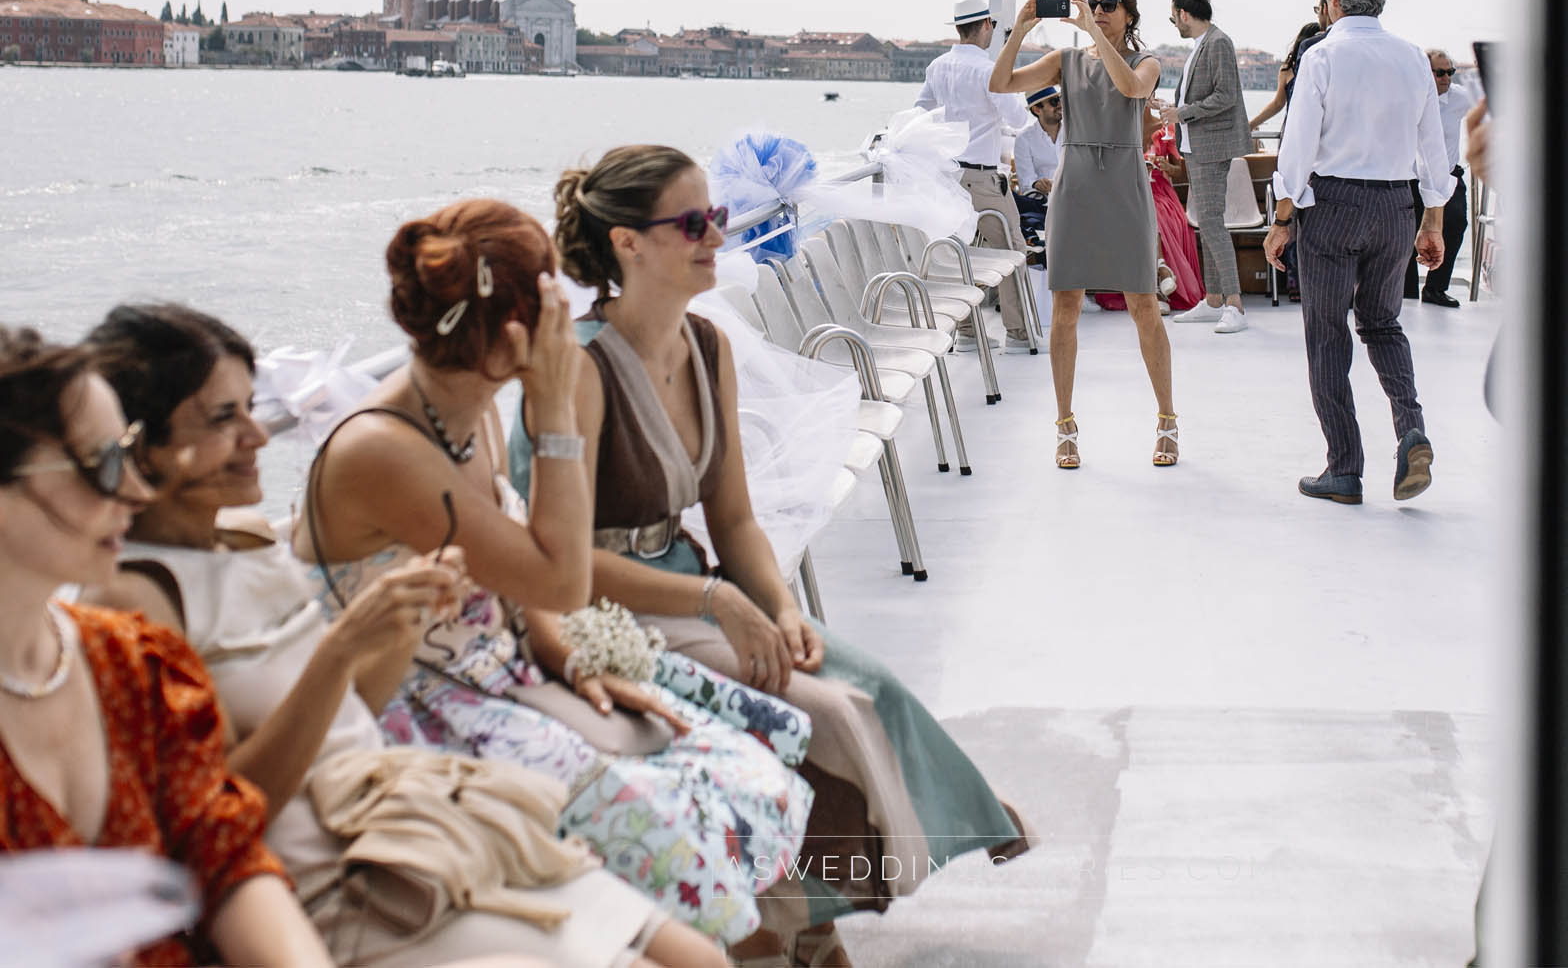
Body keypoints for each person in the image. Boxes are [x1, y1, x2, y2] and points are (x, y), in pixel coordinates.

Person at [85, 303, 731, 968]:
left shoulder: (245, 538)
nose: (257, 433)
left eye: (251, 406)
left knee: (701, 958)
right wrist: (338, 651)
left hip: (423, 822)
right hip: (340, 876)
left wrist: (407, 619)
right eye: (224, 418)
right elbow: (218, 822)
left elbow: (351, 714)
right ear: (141, 446)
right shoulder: (135, 602)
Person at [537, 145, 1034, 964]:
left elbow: (732, 520)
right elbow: (559, 561)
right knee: (824, 713)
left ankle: (812, 917)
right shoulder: (582, 370)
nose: (716, 236)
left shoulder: (706, 348)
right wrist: (720, 603)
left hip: (695, 585)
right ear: (627, 244)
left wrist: (781, 607)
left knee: (863, 680)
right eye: (694, 223)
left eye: (718, 218)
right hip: (612, 611)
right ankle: (800, 927)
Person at [293, 199, 812, 954]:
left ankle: (781, 941)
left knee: (734, 754)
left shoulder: (469, 410)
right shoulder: (383, 450)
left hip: (494, 671)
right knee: (656, 808)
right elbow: (559, 577)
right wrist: (555, 404)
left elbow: (515, 586)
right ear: (512, 332)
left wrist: (566, 657)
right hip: (411, 705)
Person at [0, 326, 332, 967]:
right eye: (98, 465)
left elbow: (225, 857)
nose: (135, 491)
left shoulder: (134, 665)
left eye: (125, 453)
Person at [1264, 0, 1452, 506]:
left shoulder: (1322, 57)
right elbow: (1433, 154)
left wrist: (1281, 219)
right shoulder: (1415, 59)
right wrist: (1432, 222)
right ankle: (1410, 430)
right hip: (1396, 208)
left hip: (1333, 205)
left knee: (1327, 335)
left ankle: (1344, 468)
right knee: (1383, 323)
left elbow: (1296, 152)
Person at [988, 0, 1180, 469]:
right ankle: (1065, 425)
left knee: (1143, 304)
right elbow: (1001, 83)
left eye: (1108, 5)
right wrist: (1020, 29)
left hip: (1124, 186)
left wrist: (1093, 36)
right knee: (1066, 304)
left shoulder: (1147, 62)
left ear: (1129, 14)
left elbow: (1129, 87)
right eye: (1092, 5)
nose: (1098, 10)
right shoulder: (1066, 62)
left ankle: (1167, 419)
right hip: (1073, 187)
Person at [914, 0, 1033, 353]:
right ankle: (1018, 333)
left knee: (956, 254)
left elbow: (920, 114)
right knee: (1010, 250)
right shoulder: (987, 70)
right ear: (985, 26)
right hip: (983, 178)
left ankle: (965, 333)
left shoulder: (937, 67)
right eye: (992, 25)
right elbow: (1018, 119)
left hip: (947, 177)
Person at [1159, 0, 1253, 333]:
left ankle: (1235, 304)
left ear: (1184, 14)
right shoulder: (1205, 44)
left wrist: (1182, 113)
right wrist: (1176, 112)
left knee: (1211, 222)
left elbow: (1227, 95)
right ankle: (1214, 300)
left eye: (1173, 18)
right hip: (1197, 146)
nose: (1175, 25)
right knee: (1205, 221)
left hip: (1211, 146)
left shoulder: (1218, 43)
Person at [1092, 102, 1204, 314]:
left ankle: (1156, 285)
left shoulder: (1166, 127)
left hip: (1159, 190)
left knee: (1153, 212)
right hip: (1127, 190)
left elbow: (1180, 171)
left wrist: (1167, 167)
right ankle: (1160, 274)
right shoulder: (1116, 127)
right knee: (1134, 212)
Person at [1403, 49, 1481, 307]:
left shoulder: (1458, 98)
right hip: (1411, 179)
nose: (1446, 78)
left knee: (1456, 224)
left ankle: (1435, 288)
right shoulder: (1407, 97)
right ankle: (1406, 292)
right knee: (1407, 235)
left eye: (1450, 72)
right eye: (1440, 72)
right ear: (1426, 73)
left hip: (1447, 177)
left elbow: (1491, 102)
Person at [1248, 20, 1329, 137]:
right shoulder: (1324, 67)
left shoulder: (1287, 70)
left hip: (1293, 128)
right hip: (1321, 128)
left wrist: (1251, 124)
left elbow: (1278, 104)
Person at [1010, 85, 1063, 245]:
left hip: (1074, 197)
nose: (1060, 105)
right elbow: (1026, 184)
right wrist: (1037, 184)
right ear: (1037, 109)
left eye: (1059, 99)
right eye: (1054, 102)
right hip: (1043, 203)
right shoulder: (1024, 139)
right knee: (1008, 196)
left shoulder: (1075, 132)